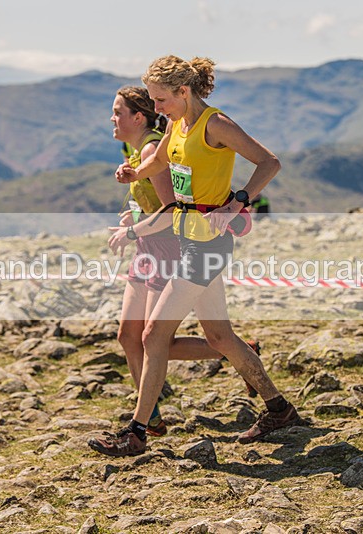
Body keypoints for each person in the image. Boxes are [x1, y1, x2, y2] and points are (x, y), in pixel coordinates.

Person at [89, 56, 300, 457]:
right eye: (152, 101)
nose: (157, 109)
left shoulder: (215, 125)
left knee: (153, 335)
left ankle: (136, 432)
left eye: (161, 100)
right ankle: (279, 408)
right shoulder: (176, 124)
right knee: (219, 337)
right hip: (191, 240)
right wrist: (136, 174)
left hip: (207, 247)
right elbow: (160, 160)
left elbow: (269, 162)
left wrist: (238, 200)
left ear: (184, 92)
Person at [105, 86, 256, 437]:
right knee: (128, 335)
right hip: (147, 248)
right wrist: (132, 216)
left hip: (170, 247)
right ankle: (152, 416)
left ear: (137, 117)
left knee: (157, 339)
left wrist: (134, 229)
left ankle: (238, 355)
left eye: (117, 112)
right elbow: (146, 201)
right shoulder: (133, 148)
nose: (111, 119)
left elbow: (173, 206)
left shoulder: (153, 147)